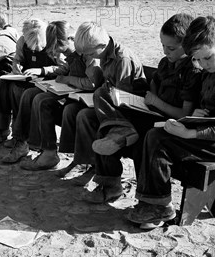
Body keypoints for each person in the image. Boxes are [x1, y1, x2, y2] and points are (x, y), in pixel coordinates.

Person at [127, 16, 215, 229]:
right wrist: (197, 115)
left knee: (159, 140)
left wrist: (188, 134)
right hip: (205, 132)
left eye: (207, 58)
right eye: (197, 60)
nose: (203, 65)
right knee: (152, 134)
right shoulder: (210, 70)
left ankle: (158, 206)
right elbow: (206, 107)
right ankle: (154, 204)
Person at [85, 13, 202, 203]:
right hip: (151, 114)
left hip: (172, 124)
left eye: (171, 48)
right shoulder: (166, 63)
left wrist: (155, 102)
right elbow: (154, 86)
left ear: (187, 45)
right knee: (105, 120)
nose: (165, 52)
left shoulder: (193, 69)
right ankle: (110, 183)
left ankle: (148, 201)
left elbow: (184, 114)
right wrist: (147, 100)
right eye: (163, 46)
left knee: (143, 141)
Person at [56, 21, 147, 178]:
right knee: (77, 112)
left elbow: (122, 96)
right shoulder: (105, 54)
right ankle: (85, 162)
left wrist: (100, 95)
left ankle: (118, 135)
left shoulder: (122, 59)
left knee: (93, 113)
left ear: (102, 45)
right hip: (113, 108)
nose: (89, 57)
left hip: (129, 113)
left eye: (90, 54)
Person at [19, 29, 103, 170]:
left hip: (86, 100)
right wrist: (43, 71)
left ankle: (78, 160)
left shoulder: (88, 54)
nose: (61, 54)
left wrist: (68, 79)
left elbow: (92, 83)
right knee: (40, 98)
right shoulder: (73, 54)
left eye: (60, 48)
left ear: (70, 39)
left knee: (64, 109)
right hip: (74, 95)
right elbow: (63, 68)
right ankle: (46, 151)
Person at [1, 20, 76, 163]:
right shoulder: (25, 42)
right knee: (25, 93)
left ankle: (43, 148)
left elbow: (67, 70)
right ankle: (21, 142)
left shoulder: (73, 49)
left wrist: (44, 71)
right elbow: (64, 69)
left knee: (38, 99)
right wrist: (17, 64)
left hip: (69, 91)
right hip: (58, 86)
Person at [0, 18, 55, 144]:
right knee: (2, 86)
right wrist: (17, 66)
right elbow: (17, 59)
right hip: (26, 77)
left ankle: (20, 137)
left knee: (18, 92)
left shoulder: (52, 43)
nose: (34, 49)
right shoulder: (22, 42)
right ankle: (2, 129)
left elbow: (63, 67)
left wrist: (42, 70)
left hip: (46, 81)